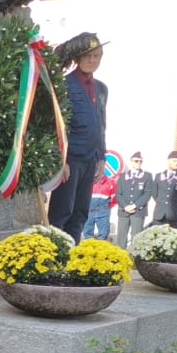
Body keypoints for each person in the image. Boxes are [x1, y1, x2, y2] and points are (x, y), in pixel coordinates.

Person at [48, 32, 109, 243]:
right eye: (88, 56)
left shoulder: (101, 88)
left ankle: (71, 257)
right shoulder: (64, 84)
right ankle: (56, 256)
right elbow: (55, 125)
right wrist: (59, 160)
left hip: (90, 159)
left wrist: (102, 156)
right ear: (78, 58)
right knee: (62, 211)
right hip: (71, 159)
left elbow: (102, 125)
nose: (93, 61)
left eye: (97, 56)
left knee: (81, 212)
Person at [115, 151, 153, 248]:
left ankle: (134, 259)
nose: (138, 163)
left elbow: (147, 194)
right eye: (136, 161)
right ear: (131, 162)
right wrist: (125, 206)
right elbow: (118, 194)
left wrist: (134, 205)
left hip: (138, 211)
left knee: (136, 238)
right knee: (121, 238)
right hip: (124, 211)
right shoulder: (123, 176)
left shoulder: (147, 176)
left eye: (140, 161)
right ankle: (121, 258)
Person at [150, 150, 177, 229]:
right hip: (159, 214)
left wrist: (176, 204)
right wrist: (161, 202)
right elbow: (154, 193)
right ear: (168, 161)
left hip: (174, 214)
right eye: (174, 161)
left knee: (173, 239)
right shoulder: (159, 176)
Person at [83, 162, 117, 241]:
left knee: (103, 235)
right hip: (88, 212)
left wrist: (106, 208)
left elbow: (115, 199)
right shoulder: (87, 181)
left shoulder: (111, 182)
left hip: (103, 212)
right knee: (87, 235)